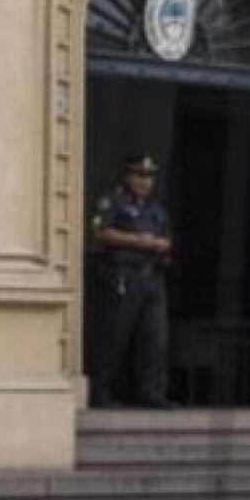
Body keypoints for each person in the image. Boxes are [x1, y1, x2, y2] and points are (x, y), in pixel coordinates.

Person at [90, 153, 175, 408]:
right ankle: (103, 392)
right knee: (116, 335)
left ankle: (152, 393)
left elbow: (167, 240)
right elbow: (100, 231)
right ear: (128, 176)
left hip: (153, 277)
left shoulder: (156, 209)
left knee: (154, 338)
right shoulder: (114, 202)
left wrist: (159, 245)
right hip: (125, 275)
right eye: (139, 175)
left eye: (149, 176)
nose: (144, 181)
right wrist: (138, 241)